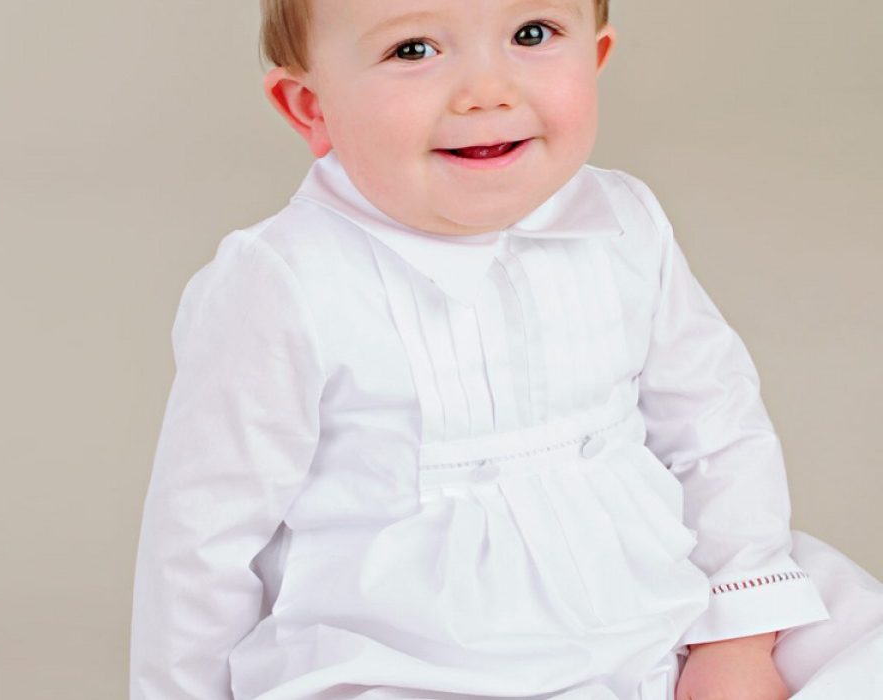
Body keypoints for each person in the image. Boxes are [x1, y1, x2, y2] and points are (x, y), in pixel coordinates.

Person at [128, 0, 883, 698]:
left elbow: (714, 428)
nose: (486, 92)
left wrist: (736, 639)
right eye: (413, 49)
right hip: (414, 659)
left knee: (855, 645)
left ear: (596, 56)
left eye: (531, 35)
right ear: (311, 106)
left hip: (659, 604)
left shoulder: (624, 221)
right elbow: (202, 541)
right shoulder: (283, 279)